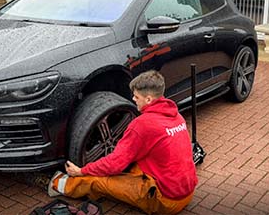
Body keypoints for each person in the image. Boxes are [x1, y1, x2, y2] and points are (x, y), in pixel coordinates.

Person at [48, 70, 197, 214]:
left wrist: (81, 171)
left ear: (149, 99)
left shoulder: (143, 125)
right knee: (130, 166)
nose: (133, 99)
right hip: (187, 191)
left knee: (98, 180)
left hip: (165, 200)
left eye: (136, 97)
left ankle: (58, 185)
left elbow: (114, 163)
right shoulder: (176, 115)